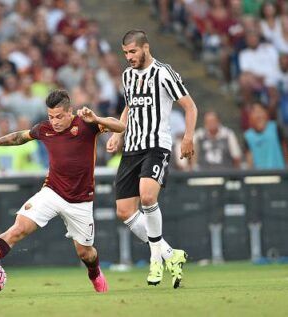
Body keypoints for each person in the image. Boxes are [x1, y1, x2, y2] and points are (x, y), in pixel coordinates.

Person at [0, 89, 126, 293]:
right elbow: (19, 137)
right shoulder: (44, 129)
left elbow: (120, 126)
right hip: (51, 192)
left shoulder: (86, 123)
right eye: (51, 117)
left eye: (59, 116)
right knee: (17, 230)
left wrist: (96, 117)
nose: (55, 121)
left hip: (80, 201)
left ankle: (94, 273)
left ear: (70, 112)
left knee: (86, 254)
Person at [106, 30, 198, 288]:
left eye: (133, 51)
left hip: (157, 145)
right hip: (132, 148)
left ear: (146, 47)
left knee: (147, 197)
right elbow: (129, 106)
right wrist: (118, 134)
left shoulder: (164, 73)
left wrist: (189, 137)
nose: (129, 57)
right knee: (124, 211)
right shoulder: (127, 76)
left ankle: (155, 260)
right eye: (125, 53)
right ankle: (171, 254)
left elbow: (190, 106)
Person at [244, 103, 287, 169]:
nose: (258, 116)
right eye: (255, 112)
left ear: (266, 113)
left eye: (260, 112)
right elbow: (249, 161)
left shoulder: (276, 128)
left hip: (279, 173)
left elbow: (285, 150)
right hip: (260, 176)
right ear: (250, 116)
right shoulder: (248, 136)